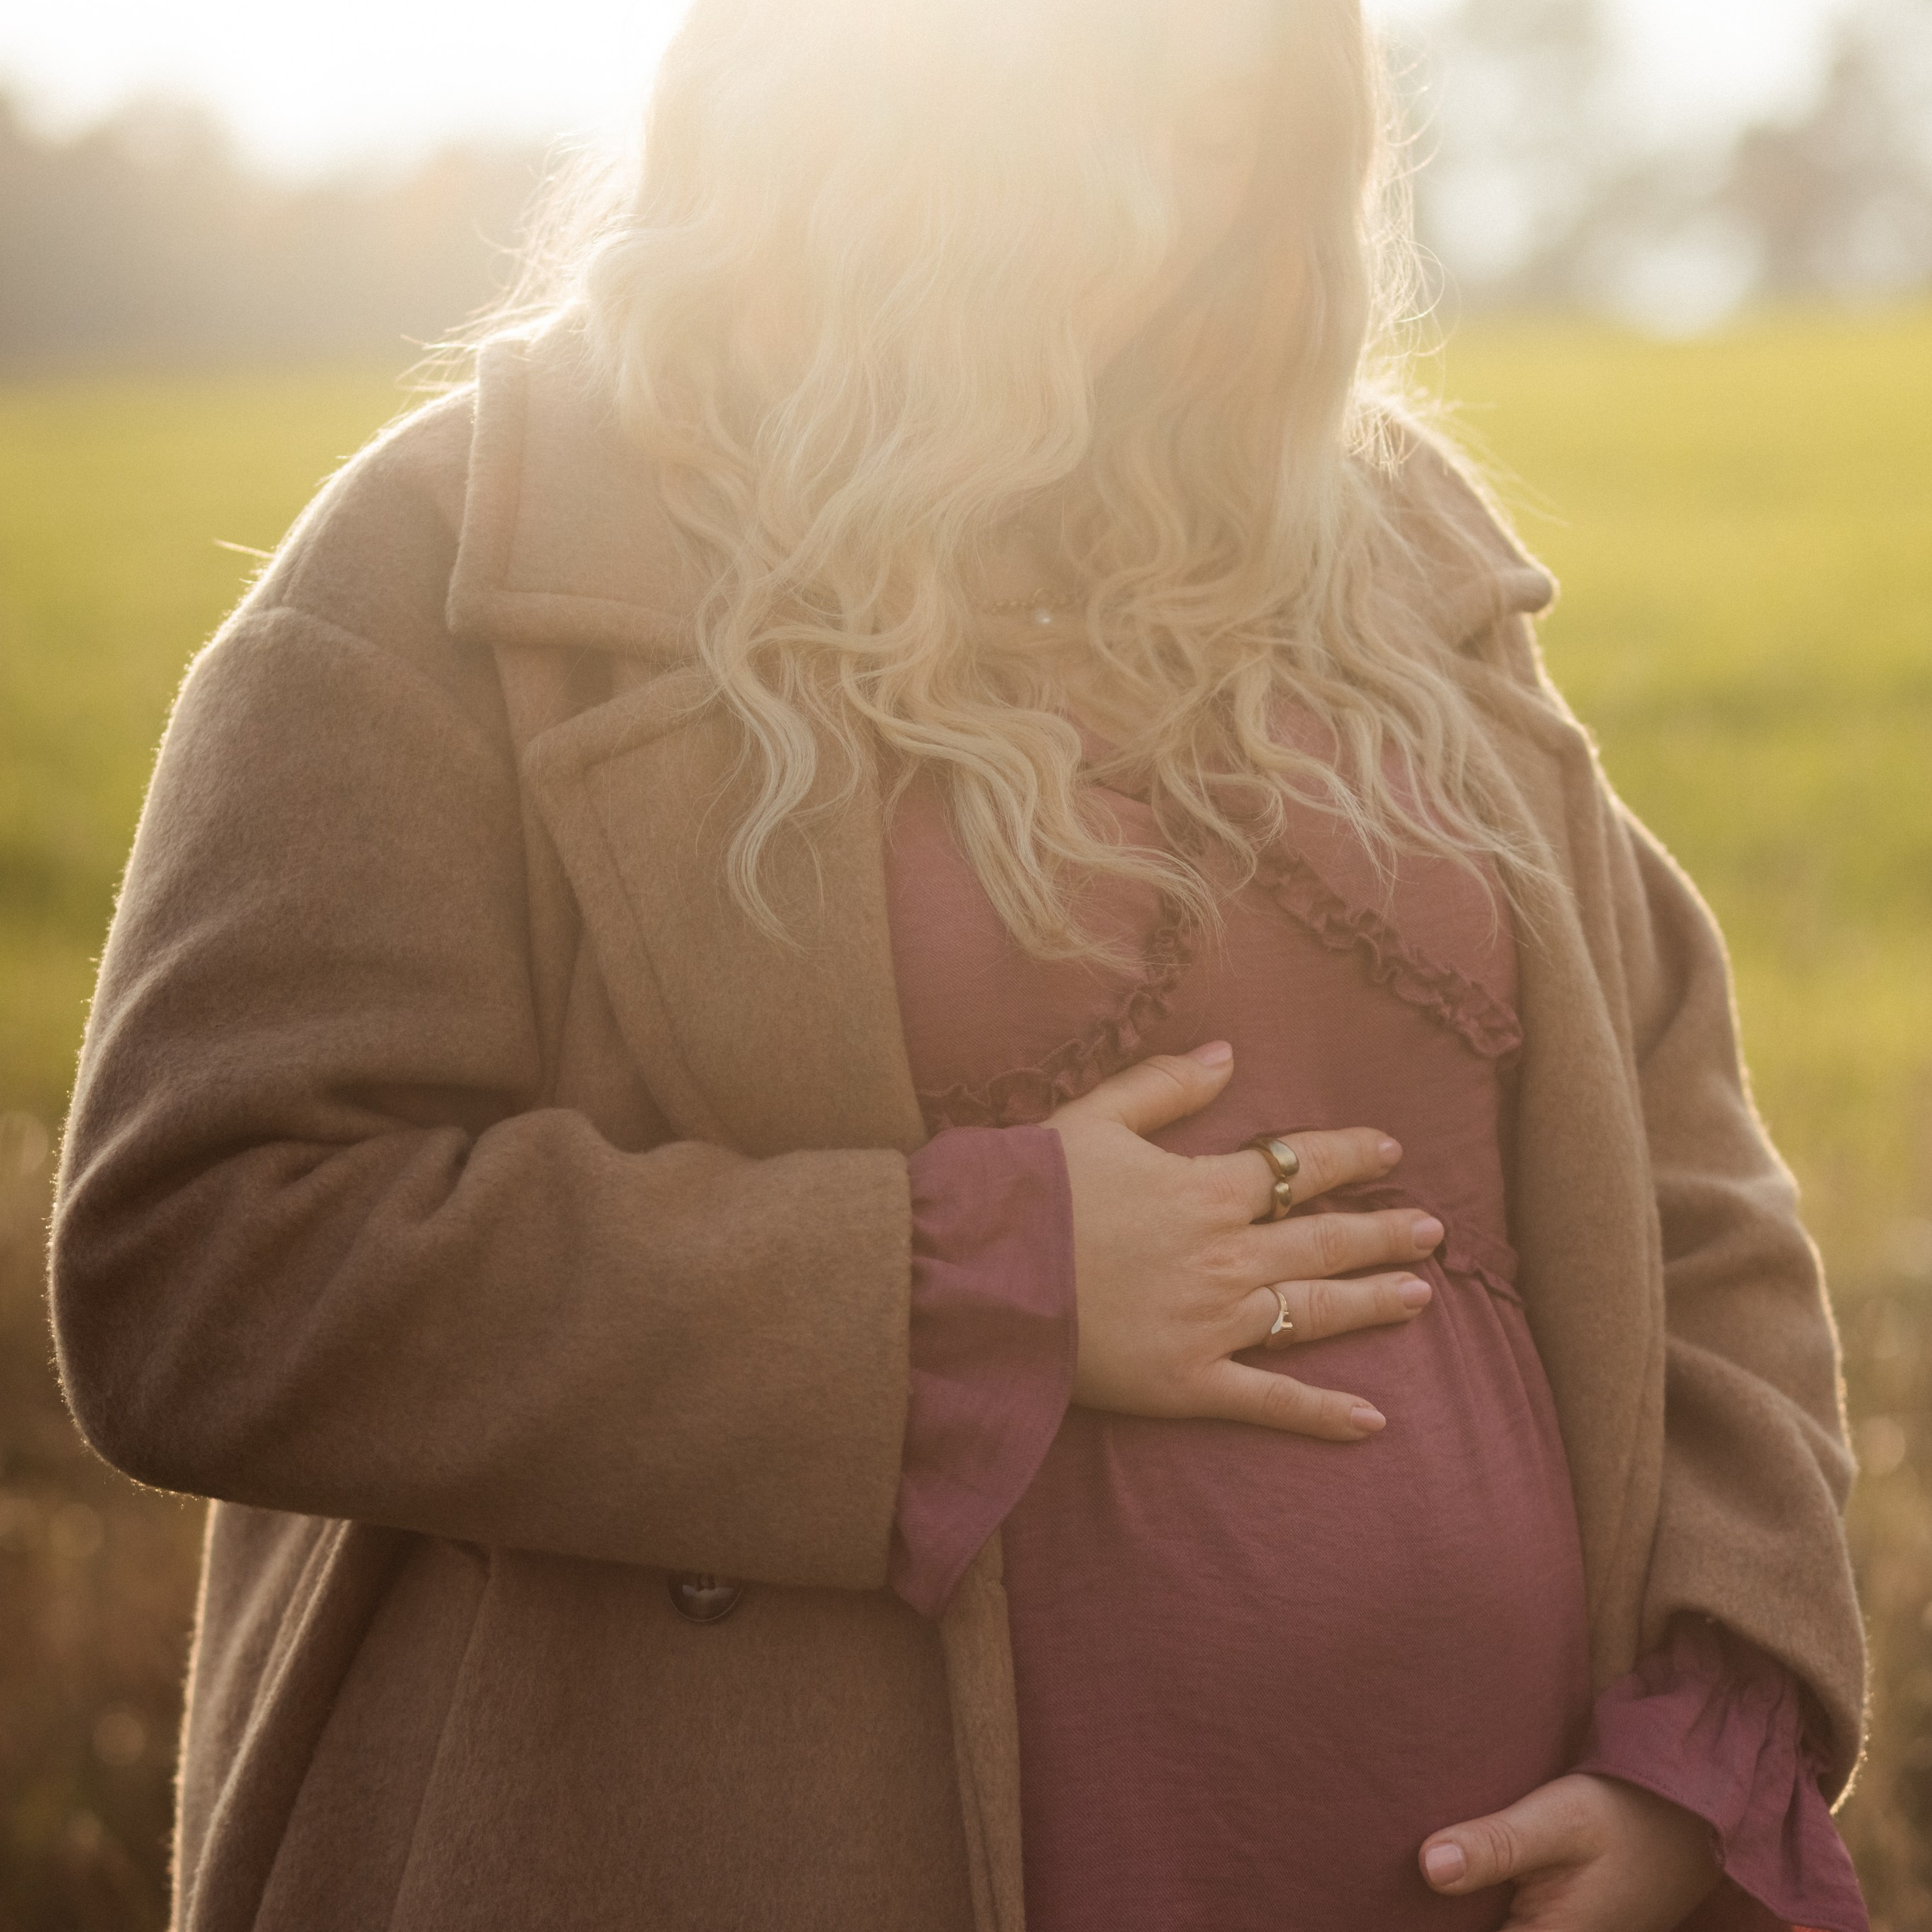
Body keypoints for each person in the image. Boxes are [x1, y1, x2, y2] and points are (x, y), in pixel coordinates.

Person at [50, 0, 1868, 1927]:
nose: (1160, 213)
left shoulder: (1379, 542)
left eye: (1222, 134)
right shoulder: (464, 552)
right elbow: (207, 1261)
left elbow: (1696, 1197)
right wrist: (976, 1285)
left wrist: (1703, 1743)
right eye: (1089, 125)